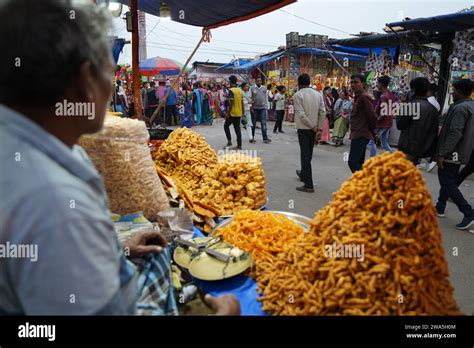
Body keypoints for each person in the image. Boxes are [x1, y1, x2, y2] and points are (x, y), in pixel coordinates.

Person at [0, 0, 239, 315]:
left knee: (157, 255)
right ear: (86, 81)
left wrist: (119, 250)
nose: (111, 86)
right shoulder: (54, 204)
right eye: (110, 72)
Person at [434, 79, 474, 230]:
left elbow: (455, 133)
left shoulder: (460, 109)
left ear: (460, 92)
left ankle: (468, 212)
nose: (452, 93)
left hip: (452, 152)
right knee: (449, 179)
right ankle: (440, 206)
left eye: (454, 90)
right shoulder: (470, 106)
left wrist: (443, 153)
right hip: (463, 151)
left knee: (447, 182)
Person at [293, 73, 326, 193]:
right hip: (314, 128)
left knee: (305, 155)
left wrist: (313, 127)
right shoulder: (318, 94)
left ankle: (308, 185)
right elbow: (323, 112)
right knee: (308, 153)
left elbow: (301, 115)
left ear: (298, 83)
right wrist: (319, 129)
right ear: (309, 82)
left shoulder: (297, 95)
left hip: (304, 128)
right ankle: (303, 173)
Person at [396, 77, 439, 165]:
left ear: (413, 90)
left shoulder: (409, 106)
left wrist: (402, 106)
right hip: (422, 149)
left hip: (408, 148)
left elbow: (399, 125)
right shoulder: (433, 109)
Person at [347, 74, 377, 173]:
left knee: (352, 162)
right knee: (359, 162)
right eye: (351, 82)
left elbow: (372, 116)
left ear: (363, 84)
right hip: (357, 132)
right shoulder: (358, 97)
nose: (353, 85)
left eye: (356, 82)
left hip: (361, 133)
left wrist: (373, 131)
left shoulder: (364, 98)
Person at [368, 75, 397, 157]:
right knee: (384, 142)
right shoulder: (390, 94)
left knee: (372, 142)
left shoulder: (383, 96)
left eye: (377, 83)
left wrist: (377, 120)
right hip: (388, 122)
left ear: (381, 84)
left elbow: (384, 112)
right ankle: (393, 156)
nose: (376, 84)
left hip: (382, 123)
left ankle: (372, 160)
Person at [223, 75, 243, 150]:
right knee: (237, 129)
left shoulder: (231, 90)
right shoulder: (239, 90)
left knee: (226, 126)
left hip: (232, 113)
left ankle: (229, 141)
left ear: (230, 81)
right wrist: (243, 112)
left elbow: (231, 102)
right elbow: (241, 101)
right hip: (239, 112)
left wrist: (228, 113)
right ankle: (239, 145)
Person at [251, 77, 271, 143]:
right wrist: (251, 106)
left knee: (263, 123)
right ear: (256, 81)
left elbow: (267, 97)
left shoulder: (264, 88)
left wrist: (266, 106)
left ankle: (265, 138)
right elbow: (251, 97)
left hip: (263, 108)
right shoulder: (252, 88)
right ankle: (252, 137)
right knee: (253, 123)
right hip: (255, 108)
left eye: (260, 80)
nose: (259, 82)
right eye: (258, 81)